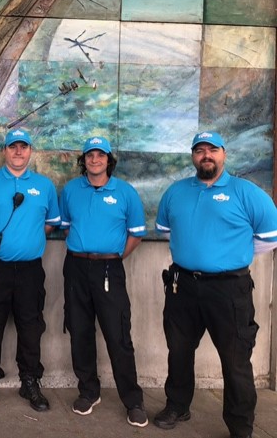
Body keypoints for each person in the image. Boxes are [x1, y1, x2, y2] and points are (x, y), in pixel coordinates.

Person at [154, 131, 277, 438]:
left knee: (235, 360)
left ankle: (240, 426)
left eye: (212, 149)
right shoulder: (175, 192)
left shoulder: (246, 192)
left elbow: (269, 238)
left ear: (224, 154)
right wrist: (196, 255)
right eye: (200, 150)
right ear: (193, 156)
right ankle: (177, 405)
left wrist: (231, 257)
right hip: (182, 286)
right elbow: (167, 230)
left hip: (229, 290)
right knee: (179, 350)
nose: (206, 155)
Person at [0, 128, 60, 412]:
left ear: (30, 151)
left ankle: (29, 381)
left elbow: (50, 224)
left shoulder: (44, 186)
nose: (18, 151)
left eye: (23, 146)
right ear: (4, 151)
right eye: (13, 146)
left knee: (31, 326)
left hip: (30, 270)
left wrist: (27, 241)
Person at [58, 136, 148, 427]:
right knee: (80, 331)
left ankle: (133, 400)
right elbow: (66, 227)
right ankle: (89, 391)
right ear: (83, 160)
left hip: (110, 269)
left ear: (109, 160)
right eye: (89, 155)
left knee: (118, 335)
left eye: (100, 155)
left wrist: (114, 257)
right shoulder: (71, 190)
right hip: (76, 267)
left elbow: (136, 234)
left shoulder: (125, 192)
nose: (95, 160)